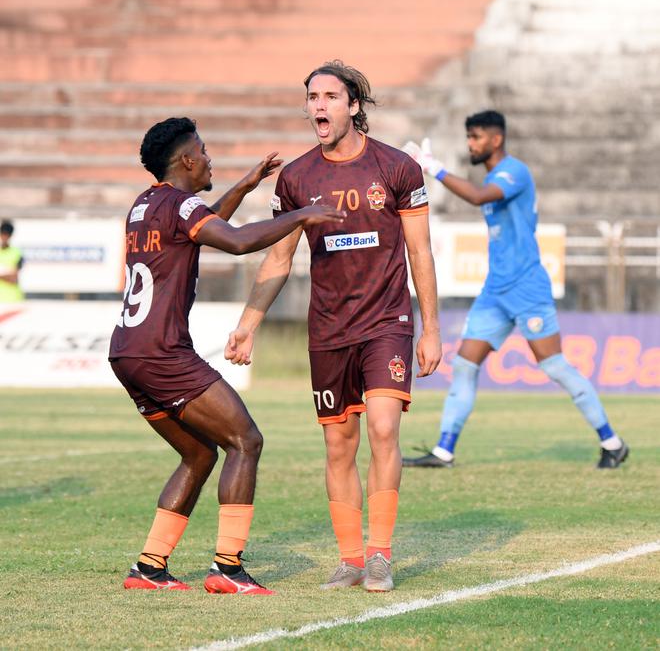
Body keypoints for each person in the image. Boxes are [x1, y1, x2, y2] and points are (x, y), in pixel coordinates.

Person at [224, 61, 442, 592]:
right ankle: (349, 560)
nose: (318, 105)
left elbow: (420, 251)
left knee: (384, 429)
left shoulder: (396, 168)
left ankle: (380, 555)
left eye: (329, 96)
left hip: (387, 322)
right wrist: (248, 325)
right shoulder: (297, 178)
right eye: (312, 97)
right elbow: (277, 261)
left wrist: (430, 329)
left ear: (353, 106)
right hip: (327, 328)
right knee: (339, 445)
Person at [109, 117, 344, 593]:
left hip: (127, 352)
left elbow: (208, 221)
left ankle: (150, 567)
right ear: (187, 160)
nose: (209, 156)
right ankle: (227, 568)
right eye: (204, 149)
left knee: (198, 454)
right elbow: (235, 243)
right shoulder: (181, 205)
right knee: (246, 441)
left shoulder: (146, 204)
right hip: (162, 352)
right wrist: (298, 216)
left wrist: (244, 186)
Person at [402, 110, 629, 470]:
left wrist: (433, 167)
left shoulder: (514, 172)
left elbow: (478, 196)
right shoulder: (495, 175)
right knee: (464, 365)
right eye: (469, 137)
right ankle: (444, 451)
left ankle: (612, 442)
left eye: (475, 137)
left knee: (554, 365)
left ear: (496, 139)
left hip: (527, 287)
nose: (470, 144)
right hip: (496, 291)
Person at [0, 220, 24, 302]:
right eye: (3, 233)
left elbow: (13, 278)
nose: (4, 237)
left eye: (7, 234)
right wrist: (7, 273)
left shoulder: (16, 253)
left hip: (13, 299)